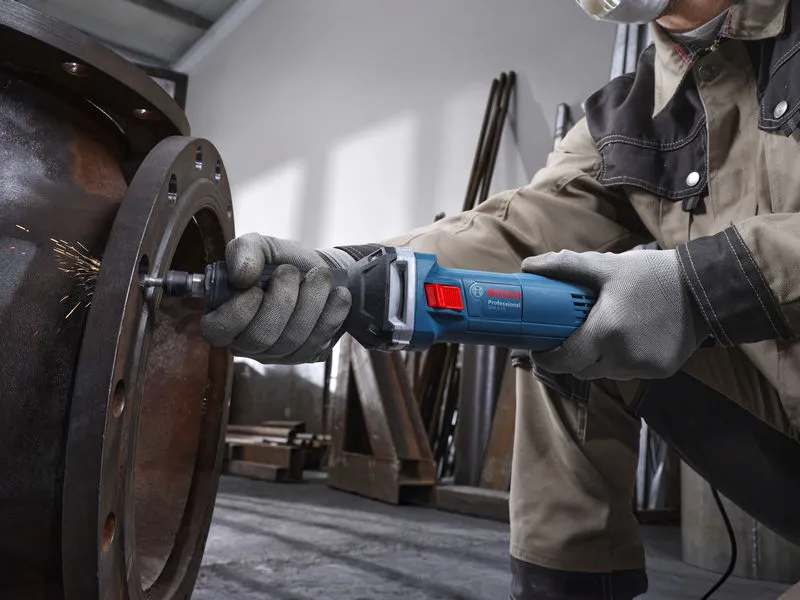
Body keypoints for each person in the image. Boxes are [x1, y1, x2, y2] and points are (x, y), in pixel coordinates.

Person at [200, 0, 800, 597]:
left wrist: (698, 288)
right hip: (782, 436)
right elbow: (520, 229)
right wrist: (346, 273)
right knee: (568, 324)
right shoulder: (629, 115)